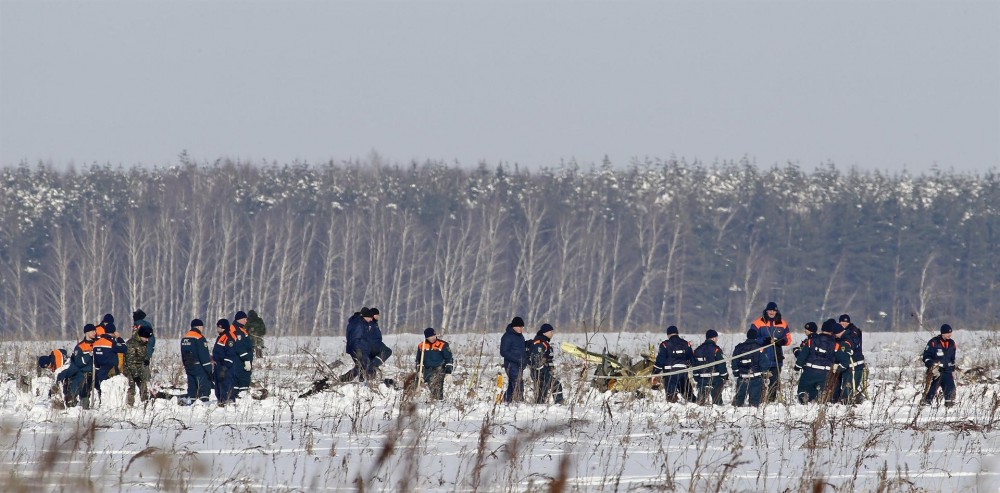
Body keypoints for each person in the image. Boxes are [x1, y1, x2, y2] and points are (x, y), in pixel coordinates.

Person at [794, 319, 852, 404]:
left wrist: (797, 366)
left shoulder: (811, 341)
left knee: (803, 389)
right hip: (825, 374)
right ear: (832, 332)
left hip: (809, 371)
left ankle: (804, 401)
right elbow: (845, 360)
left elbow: (803, 355)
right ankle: (818, 402)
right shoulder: (835, 345)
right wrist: (838, 369)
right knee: (820, 392)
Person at [752, 301, 791, 403]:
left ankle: (771, 401)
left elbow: (788, 339)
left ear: (776, 311)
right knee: (759, 381)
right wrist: (765, 340)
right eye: (770, 310)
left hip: (776, 358)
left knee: (774, 382)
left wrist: (780, 341)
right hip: (761, 357)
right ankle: (758, 400)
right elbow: (753, 338)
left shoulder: (783, 323)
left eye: (774, 310)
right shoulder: (758, 322)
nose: (772, 312)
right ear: (766, 310)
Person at [56, 324, 97, 409]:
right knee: (83, 391)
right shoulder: (80, 347)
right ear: (86, 333)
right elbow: (78, 363)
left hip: (95, 373)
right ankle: (82, 409)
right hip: (84, 374)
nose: (94, 333)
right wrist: (89, 355)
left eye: (95, 331)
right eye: (92, 331)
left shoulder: (97, 343)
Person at [654, 325, 694, 403]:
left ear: (668, 335)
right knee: (688, 394)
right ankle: (696, 404)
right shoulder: (686, 344)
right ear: (677, 333)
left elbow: (660, 360)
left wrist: (655, 372)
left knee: (671, 396)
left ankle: (673, 406)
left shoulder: (664, 344)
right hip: (683, 372)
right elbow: (691, 359)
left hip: (670, 373)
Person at [922, 324, 958, 407]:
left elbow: (952, 358)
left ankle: (949, 405)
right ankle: (926, 403)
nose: (950, 335)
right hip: (937, 371)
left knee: (950, 388)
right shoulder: (934, 342)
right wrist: (932, 366)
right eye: (947, 333)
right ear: (942, 333)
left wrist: (952, 369)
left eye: (950, 333)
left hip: (948, 371)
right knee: (933, 387)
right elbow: (926, 356)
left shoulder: (952, 343)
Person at [528, 324, 564, 404]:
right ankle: (540, 406)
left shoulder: (544, 342)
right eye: (551, 331)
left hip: (545, 372)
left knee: (555, 385)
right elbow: (536, 358)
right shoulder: (540, 343)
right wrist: (541, 370)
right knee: (544, 390)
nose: (552, 333)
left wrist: (550, 367)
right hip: (541, 373)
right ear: (545, 333)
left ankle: (558, 404)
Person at [414, 327, 454, 401]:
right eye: (430, 337)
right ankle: (414, 401)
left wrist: (448, 372)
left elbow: (449, 358)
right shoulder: (421, 346)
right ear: (426, 337)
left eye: (433, 336)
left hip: (438, 370)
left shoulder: (443, 344)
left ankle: (437, 403)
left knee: (436, 389)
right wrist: (419, 371)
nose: (432, 338)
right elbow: (418, 360)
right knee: (413, 385)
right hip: (426, 370)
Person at [180, 318, 213, 405]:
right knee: (203, 386)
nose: (202, 329)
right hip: (199, 367)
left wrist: (186, 365)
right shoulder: (199, 338)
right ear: (198, 327)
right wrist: (209, 370)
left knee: (192, 386)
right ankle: (204, 404)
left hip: (188, 366)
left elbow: (183, 354)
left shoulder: (184, 338)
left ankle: (191, 403)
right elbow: (204, 356)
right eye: (202, 327)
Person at [731, 328, 765, 407]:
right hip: (755, 378)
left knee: (739, 400)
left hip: (742, 377)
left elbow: (734, 362)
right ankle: (753, 413)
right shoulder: (759, 348)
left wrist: (736, 373)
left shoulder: (738, 348)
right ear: (756, 337)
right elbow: (764, 362)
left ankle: (736, 412)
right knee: (754, 402)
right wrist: (764, 372)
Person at [693, 329, 728, 405]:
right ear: (713, 338)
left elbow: (695, 365)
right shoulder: (716, 349)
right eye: (716, 338)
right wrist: (724, 375)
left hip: (702, 379)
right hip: (715, 379)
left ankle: (698, 411)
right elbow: (721, 364)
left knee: (700, 402)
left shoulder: (697, 350)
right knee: (717, 401)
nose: (717, 339)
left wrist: (696, 376)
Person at [340, 308, 375, 383]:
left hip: (360, 348)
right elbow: (355, 339)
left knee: (361, 365)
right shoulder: (359, 324)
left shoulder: (361, 322)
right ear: (365, 316)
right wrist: (358, 350)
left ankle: (359, 380)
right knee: (363, 364)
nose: (371, 320)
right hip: (357, 348)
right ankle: (345, 379)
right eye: (370, 318)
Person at [838, 314, 866, 404]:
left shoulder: (853, 332)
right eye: (842, 321)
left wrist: (847, 347)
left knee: (850, 383)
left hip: (854, 361)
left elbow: (852, 343)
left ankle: (851, 400)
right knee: (849, 384)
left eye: (845, 322)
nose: (843, 323)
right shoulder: (842, 332)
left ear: (849, 322)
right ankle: (851, 398)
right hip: (851, 362)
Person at [92, 322, 126, 396]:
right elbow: (124, 348)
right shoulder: (112, 343)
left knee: (103, 391)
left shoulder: (96, 343)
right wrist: (119, 338)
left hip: (100, 372)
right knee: (112, 393)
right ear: (113, 332)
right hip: (111, 372)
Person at [123, 325, 154, 406]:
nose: (147, 340)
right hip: (130, 368)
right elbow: (130, 362)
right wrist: (136, 376)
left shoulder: (144, 342)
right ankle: (130, 405)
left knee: (143, 385)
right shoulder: (131, 344)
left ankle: (145, 403)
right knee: (131, 387)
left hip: (140, 366)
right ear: (140, 336)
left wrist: (146, 359)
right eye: (146, 338)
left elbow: (144, 353)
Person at [499, 316, 527, 403]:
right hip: (511, 364)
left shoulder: (520, 336)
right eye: (519, 327)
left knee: (512, 385)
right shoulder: (507, 336)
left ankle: (506, 401)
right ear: (514, 326)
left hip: (520, 364)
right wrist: (517, 359)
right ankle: (520, 401)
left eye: (522, 327)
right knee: (518, 382)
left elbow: (519, 348)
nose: (521, 329)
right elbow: (503, 352)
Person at [213, 318, 238, 406]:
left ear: (223, 327)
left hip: (226, 366)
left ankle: (229, 401)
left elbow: (230, 353)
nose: (217, 329)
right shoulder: (221, 337)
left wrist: (225, 367)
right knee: (218, 385)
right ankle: (221, 401)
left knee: (226, 383)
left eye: (219, 327)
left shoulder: (229, 337)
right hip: (218, 365)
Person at [231, 310, 254, 398]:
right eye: (245, 319)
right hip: (240, 362)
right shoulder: (237, 331)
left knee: (236, 381)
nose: (246, 321)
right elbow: (240, 347)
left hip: (239, 361)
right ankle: (242, 397)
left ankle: (235, 395)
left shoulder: (241, 329)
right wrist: (246, 360)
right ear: (239, 319)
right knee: (243, 379)